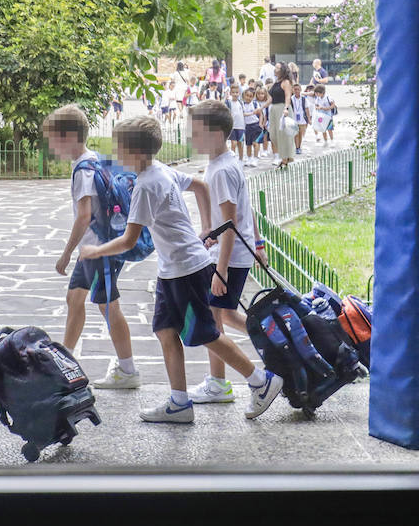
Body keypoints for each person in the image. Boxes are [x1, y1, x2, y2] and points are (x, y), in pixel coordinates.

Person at [79, 116, 282, 424]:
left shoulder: (146, 185)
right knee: (164, 330)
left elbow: (129, 239)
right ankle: (179, 402)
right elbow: (199, 186)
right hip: (172, 270)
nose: (115, 154)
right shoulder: (159, 169)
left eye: (118, 148)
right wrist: (204, 225)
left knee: (206, 333)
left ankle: (261, 381)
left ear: (134, 152)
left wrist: (95, 250)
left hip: (185, 269)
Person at [44, 104, 141, 390]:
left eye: (53, 138)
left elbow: (84, 216)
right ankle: (66, 361)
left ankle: (128, 369)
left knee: (108, 307)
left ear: (69, 137)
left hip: (100, 250)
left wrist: (65, 254)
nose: (51, 145)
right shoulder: (94, 160)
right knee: (75, 300)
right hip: (93, 250)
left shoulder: (83, 171)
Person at [188, 101, 270, 405]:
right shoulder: (226, 163)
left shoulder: (221, 170)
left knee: (213, 320)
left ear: (217, 133)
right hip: (235, 252)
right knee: (222, 314)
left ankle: (220, 383)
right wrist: (258, 244)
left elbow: (230, 223)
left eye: (197, 132)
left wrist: (220, 271)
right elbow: (245, 211)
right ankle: (264, 336)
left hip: (229, 257)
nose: (192, 137)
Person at [270, 63, 295, 169]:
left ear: (282, 70)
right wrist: (261, 108)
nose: (275, 69)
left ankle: (285, 159)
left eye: (277, 68)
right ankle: (284, 157)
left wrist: (286, 108)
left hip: (282, 109)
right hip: (274, 109)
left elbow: (288, 96)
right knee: (273, 135)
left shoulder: (286, 82)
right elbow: (270, 98)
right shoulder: (276, 82)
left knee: (284, 135)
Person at [240, 85, 262, 167]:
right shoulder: (242, 104)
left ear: (253, 97)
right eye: (247, 95)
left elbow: (260, 114)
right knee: (248, 144)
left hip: (255, 125)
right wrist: (251, 113)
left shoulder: (256, 104)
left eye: (250, 96)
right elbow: (242, 114)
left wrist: (260, 124)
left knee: (255, 143)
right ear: (244, 95)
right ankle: (249, 158)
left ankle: (255, 158)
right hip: (247, 126)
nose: (248, 98)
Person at [226, 82, 246, 162]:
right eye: (233, 92)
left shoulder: (241, 102)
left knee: (240, 144)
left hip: (240, 126)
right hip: (232, 126)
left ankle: (241, 159)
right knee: (233, 144)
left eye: (237, 92)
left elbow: (243, 113)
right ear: (230, 93)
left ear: (239, 93)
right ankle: (233, 160)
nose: (235, 94)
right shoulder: (228, 102)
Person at [291, 82, 308, 155]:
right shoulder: (291, 99)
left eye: (298, 89)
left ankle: (299, 146)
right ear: (293, 90)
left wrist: (309, 119)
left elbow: (307, 109)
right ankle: (297, 147)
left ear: (300, 90)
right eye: (295, 89)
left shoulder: (304, 99)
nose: (296, 91)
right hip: (294, 118)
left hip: (302, 118)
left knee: (300, 133)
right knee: (296, 133)